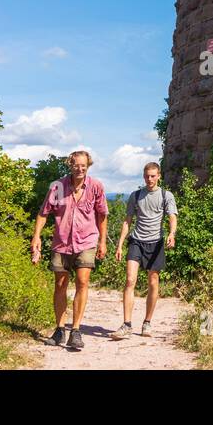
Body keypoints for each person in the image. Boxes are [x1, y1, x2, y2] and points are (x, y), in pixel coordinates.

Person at [31, 150, 108, 351]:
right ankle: (59, 330)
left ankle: (76, 330)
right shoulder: (57, 187)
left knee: (82, 282)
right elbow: (43, 213)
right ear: (70, 165)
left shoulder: (96, 187)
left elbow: (102, 215)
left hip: (86, 241)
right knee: (60, 285)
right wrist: (36, 237)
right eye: (76, 165)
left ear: (88, 166)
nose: (79, 169)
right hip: (62, 242)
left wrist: (102, 242)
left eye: (83, 165)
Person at [111, 162, 177, 339]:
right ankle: (126, 325)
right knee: (130, 280)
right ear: (143, 176)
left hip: (155, 242)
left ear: (159, 176)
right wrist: (119, 244)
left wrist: (172, 233)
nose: (150, 179)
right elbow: (127, 221)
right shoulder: (136, 195)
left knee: (153, 281)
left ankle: (147, 323)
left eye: (153, 176)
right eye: (147, 176)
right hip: (136, 241)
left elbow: (172, 216)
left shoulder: (166, 195)